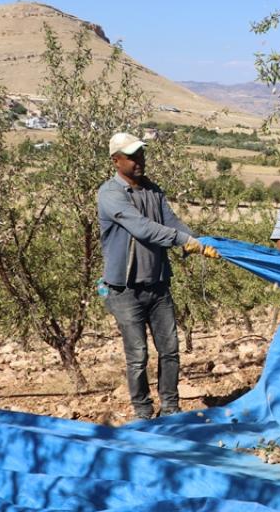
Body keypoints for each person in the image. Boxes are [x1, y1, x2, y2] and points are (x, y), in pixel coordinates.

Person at [97, 131, 218, 421]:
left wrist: (199, 242)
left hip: (158, 285)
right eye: (132, 156)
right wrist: (182, 240)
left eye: (141, 154)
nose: (140, 160)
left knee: (170, 350)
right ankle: (142, 411)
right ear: (116, 161)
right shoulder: (110, 194)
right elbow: (142, 228)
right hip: (125, 290)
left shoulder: (153, 191)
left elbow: (171, 222)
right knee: (137, 356)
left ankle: (171, 407)